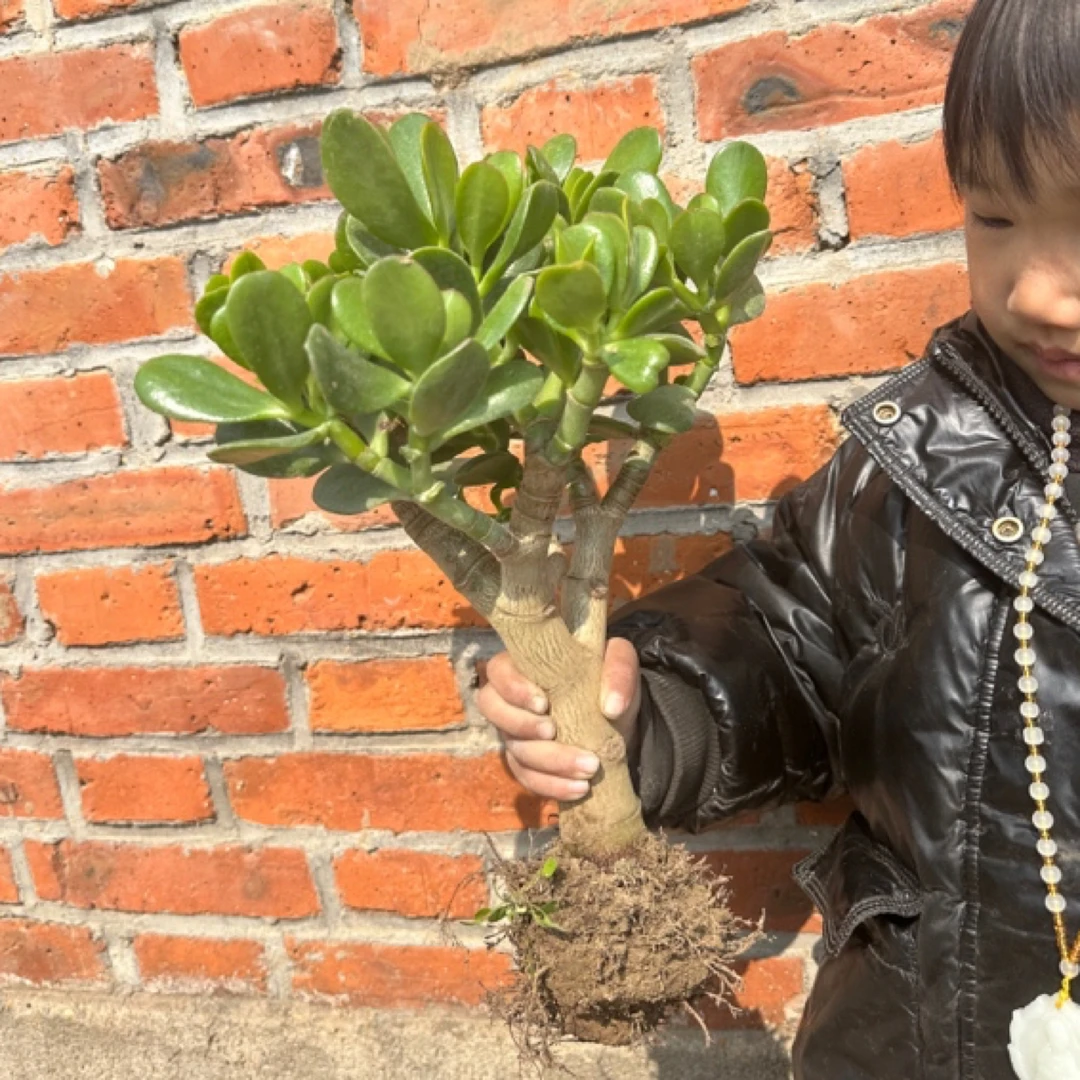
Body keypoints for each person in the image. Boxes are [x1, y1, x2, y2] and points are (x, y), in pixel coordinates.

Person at [476, 1, 1080, 1076]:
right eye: (993, 218)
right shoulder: (926, 457)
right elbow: (791, 635)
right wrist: (643, 713)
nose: (1034, 289)